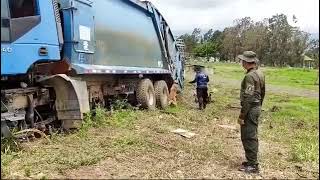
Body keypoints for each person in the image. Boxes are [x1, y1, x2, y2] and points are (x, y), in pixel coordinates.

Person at [237, 51, 265, 173]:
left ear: (246, 62)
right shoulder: (259, 73)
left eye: (242, 60)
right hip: (256, 107)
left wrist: (242, 114)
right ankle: (251, 161)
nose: (241, 62)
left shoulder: (249, 76)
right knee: (252, 135)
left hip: (250, 109)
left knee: (248, 136)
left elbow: (248, 96)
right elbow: (263, 92)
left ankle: (253, 165)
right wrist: (259, 106)